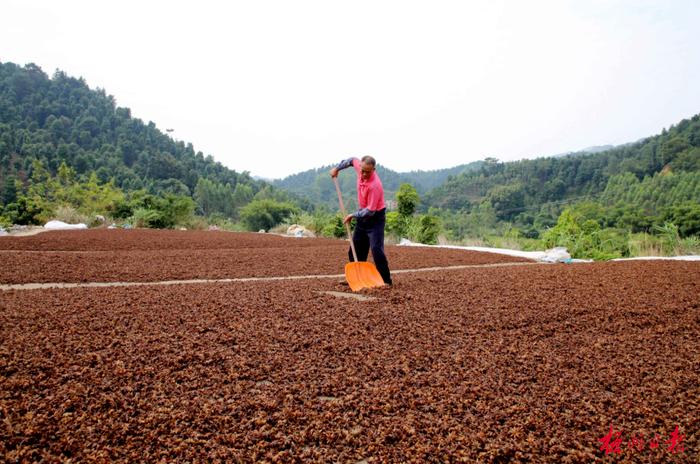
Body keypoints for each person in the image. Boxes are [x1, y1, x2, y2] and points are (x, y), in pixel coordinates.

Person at [330, 155, 392, 285]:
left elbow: (370, 211)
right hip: (362, 217)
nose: (363, 174)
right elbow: (351, 160)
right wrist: (337, 169)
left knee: (376, 249)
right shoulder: (360, 167)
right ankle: (356, 277)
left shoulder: (375, 186)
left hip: (375, 218)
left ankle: (386, 280)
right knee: (355, 248)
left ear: (373, 169)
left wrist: (353, 215)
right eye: (362, 170)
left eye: (367, 172)